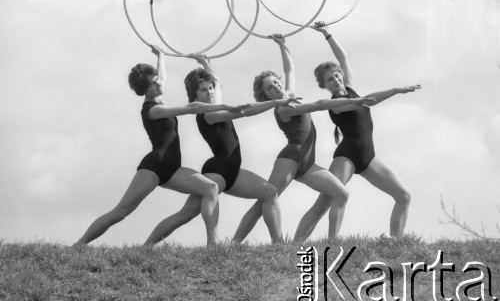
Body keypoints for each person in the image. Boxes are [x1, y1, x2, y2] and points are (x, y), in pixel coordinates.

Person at [73, 46, 247, 247]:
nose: (159, 84)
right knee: (121, 212)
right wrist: (226, 106)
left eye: (156, 80)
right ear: (145, 90)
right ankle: (79, 244)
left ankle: (211, 245)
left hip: (173, 169)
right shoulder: (153, 110)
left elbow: (161, 77)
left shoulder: (156, 95)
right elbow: (192, 107)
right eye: (154, 83)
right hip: (154, 167)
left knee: (211, 188)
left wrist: (161, 57)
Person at [232, 34, 377, 243]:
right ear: (266, 96)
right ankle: (236, 242)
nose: (275, 87)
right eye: (269, 88)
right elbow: (317, 106)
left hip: (307, 164)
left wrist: (282, 45)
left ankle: (315, 243)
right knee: (265, 200)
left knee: (341, 194)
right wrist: (356, 101)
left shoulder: (289, 93)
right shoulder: (282, 107)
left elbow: (289, 69)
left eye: (275, 82)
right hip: (290, 160)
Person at [144, 55, 300, 245]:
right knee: (185, 214)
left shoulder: (213, 103)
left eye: (209, 89)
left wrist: (206, 65)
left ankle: (278, 244)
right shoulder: (208, 113)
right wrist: (275, 103)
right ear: (195, 95)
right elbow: (245, 111)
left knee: (270, 193)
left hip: (233, 171)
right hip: (218, 171)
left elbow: (217, 83)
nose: (209, 92)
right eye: (203, 90)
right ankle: (147, 246)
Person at [294, 22, 421, 242]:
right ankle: (305, 244)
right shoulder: (333, 102)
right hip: (347, 157)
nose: (336, 80)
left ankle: (395, 242)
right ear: (324, 85)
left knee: (403, 196)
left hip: (368, 157)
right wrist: (394, 90)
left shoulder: (350, 87)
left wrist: (326, 34)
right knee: (325, 201)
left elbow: (343, 58)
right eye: (330, 80)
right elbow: (365, 102)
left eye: (336, 76)